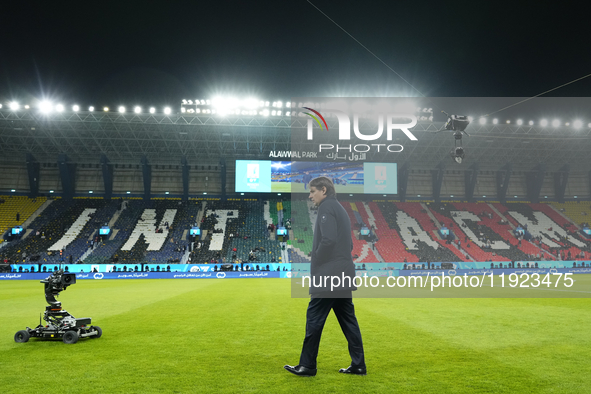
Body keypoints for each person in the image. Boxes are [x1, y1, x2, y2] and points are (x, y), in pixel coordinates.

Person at [284, 176, 366, 377]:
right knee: (349, 322)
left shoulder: (326, 208)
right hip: (344, 272)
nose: (310, 196)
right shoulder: (340, 209)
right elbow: (348, 245)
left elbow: (328, 240)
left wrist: (316, 259)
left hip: (329, 274)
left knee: (314, 318)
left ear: (323, 190)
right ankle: (358, 365)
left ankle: (307, 365)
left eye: (312, 191)